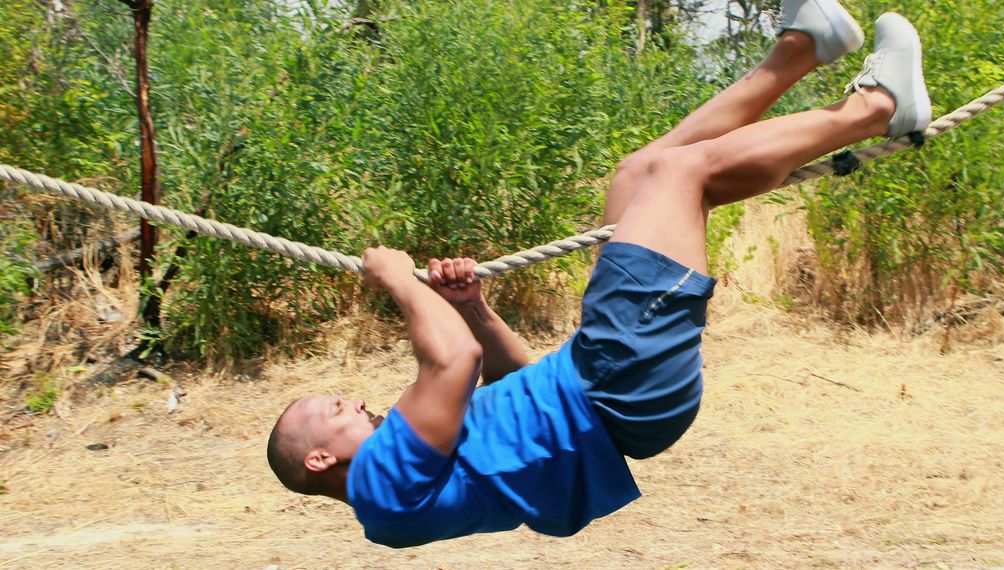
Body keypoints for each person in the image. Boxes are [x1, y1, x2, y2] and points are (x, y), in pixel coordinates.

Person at [267, 0, 931, 548]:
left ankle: (800, 49)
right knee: (680, 175)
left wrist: (471, 305)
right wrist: (396, 277)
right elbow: (450, 361)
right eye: (335, 410)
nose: (352, 401)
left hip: (607, 389)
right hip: (617, 388)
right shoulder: (382, 483)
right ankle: (875, 108)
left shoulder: (404, 481)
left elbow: (518, 380)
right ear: (320, 459)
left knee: (639, 174)